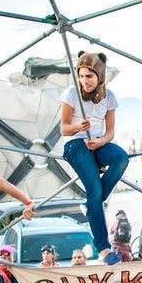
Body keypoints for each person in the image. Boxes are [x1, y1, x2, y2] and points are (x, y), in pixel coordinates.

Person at [59, 51, 129, 265]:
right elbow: (64, 128)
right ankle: (103, 248)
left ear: (99, 75)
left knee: (121, 158)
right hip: (75, 144)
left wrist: (100, 142)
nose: (84, 81)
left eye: (89, 76)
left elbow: (110, 132)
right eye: (81, 76)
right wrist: (78, 127)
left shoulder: (109, 97)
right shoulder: (71, 93)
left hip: (98, 143)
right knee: (94, 189)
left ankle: (92, 204)